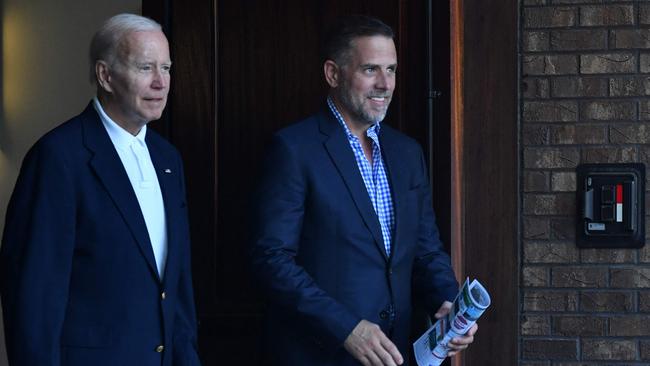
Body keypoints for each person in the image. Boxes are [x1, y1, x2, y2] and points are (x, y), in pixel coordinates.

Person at [250, 15, 477, 366]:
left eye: (392, 70)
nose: (385, 84)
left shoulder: (406, 153)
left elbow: (426, 249)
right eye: (370, 69)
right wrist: (346, 328)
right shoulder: (294, 149)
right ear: (333, 73)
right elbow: (272, 260)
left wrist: (449, 303)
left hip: (395, 354)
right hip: (318, 354)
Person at [0, 14, 200, 366]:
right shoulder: (58, 157)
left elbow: (176, 287)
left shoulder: (169, 159)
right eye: (145, 68)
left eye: (166, 68)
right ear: (105, 76)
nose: (161, 83)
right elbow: (34, 296)